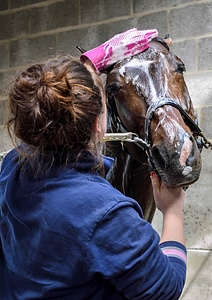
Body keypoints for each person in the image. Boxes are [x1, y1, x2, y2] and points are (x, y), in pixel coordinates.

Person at [0, 32, 187, 300]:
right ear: (98, 126)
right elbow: (165, 290)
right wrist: (173, 212)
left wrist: (89, 64)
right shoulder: (105, 213)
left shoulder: (11, 168)